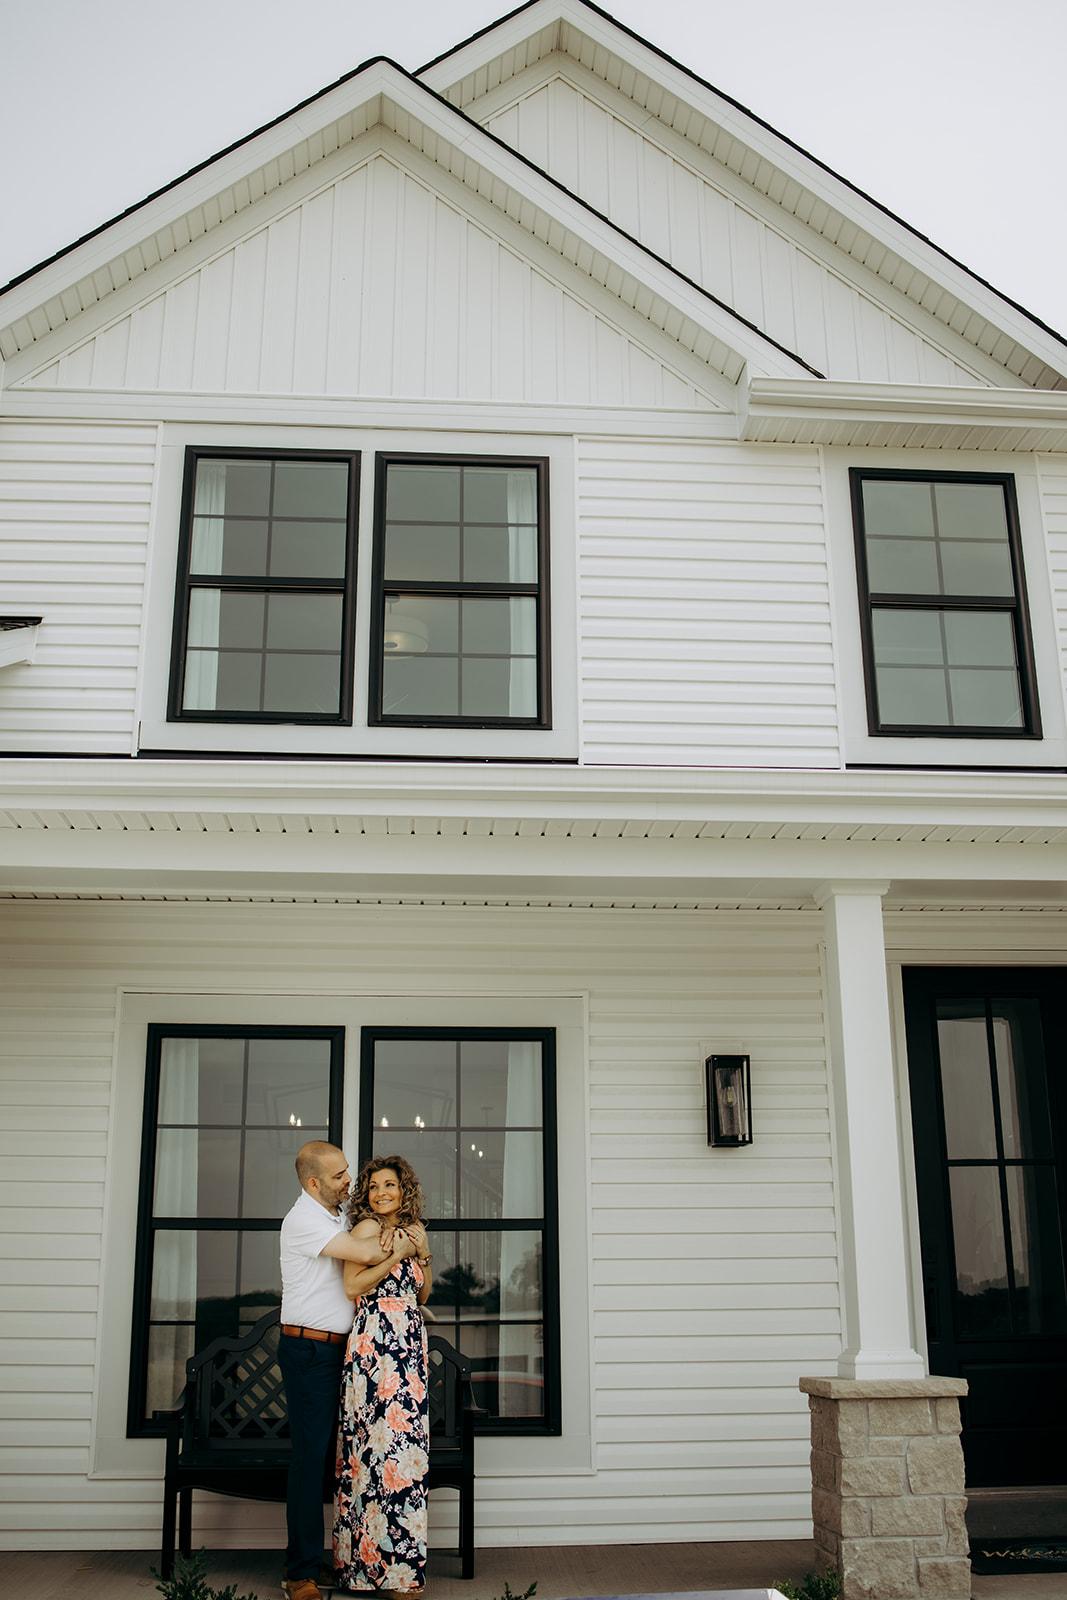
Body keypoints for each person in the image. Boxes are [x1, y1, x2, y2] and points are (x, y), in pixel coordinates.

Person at [279, 1141, 416, 1600]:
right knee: (310, 1458)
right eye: (339, 1175)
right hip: (310, 1352)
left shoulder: (336, 1216)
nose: (348, 1181)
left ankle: (352, 1561)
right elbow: (368, 1259)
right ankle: (299, 1573)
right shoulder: (303, 1221)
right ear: (314, 1182)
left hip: (352, 1355)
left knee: (350, 1459)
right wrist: (404, 1245)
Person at [333, 1156, 434, 1596]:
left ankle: (403, 1570)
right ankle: (366, 1568)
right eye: (373, 1186)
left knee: (405, 1455)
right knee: (374, 1455)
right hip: (375, 1345)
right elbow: (353, 1288)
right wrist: (398, 1253)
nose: (380, 1193)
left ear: (403, 1189)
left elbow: (423, 1290)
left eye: (389, 1185)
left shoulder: (416, 1229)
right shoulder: (366, 1231)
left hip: (409, 1345)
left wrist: (420, 1251)